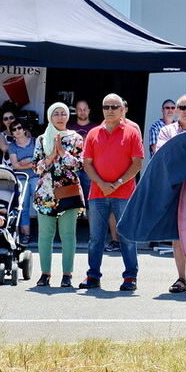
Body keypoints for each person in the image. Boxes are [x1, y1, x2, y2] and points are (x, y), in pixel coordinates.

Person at [80, 94, 143, 292]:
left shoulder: (132, 133)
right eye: (106, 106)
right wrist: (101, 183)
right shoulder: (93, 133)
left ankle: (130, 277)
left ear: (122, 109)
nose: (109, 110)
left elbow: (138, 163)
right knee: (95, 238)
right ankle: (93, 275)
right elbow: (87, 163)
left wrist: (118, 182)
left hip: (124, 192)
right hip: (98, 193)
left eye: (114, 106)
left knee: (126, 237)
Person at [32, 102, 85, 288]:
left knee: (68, 234)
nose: (60, 117)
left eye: (63, 113)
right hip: (45, 194)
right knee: (45, 235)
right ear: (50, 117)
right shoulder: (42, 139)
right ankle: (45, 273)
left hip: (68, 192)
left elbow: (79, 165)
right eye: (56, 114)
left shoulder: (76, 138)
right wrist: (51, 154)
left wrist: (62, 151)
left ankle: (67, 274)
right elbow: (37, 168)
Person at [155, 95, 186, 293]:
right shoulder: (166, 131)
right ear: (176, 110)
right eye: (182, 106)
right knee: (178, 236)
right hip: (175, 189)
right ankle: (181, 278)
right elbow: (164, 156)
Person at [7, 119, 36, 245]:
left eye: (19, 127)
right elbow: (15, 166)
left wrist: (27, 160)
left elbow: (42, 160)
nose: (17, 131)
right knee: (23, 207)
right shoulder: (12, 146)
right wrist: (32, 163)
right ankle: (26, 235)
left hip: (36, 177)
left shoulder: (35, 141)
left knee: (41, 205)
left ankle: (45, 232)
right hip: (21, 177)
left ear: (24, 129)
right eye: (14, 129)